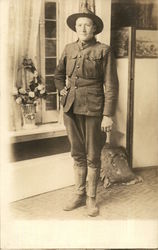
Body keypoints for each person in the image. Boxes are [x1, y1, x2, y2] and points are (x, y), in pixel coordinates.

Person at [54, 5, 118, 217]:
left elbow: (111, 84)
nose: (82, 28)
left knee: (92, 156)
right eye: (79, 25)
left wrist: (108, 114)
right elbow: (58, 75)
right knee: (77, 154)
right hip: (71, 108)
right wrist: (61, 90)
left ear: (94, 29)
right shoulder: (68, 49)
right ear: (75, 28)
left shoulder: (104, 50)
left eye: (87, 25)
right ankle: (79, 194)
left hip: (94, 109)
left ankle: (91, 198)